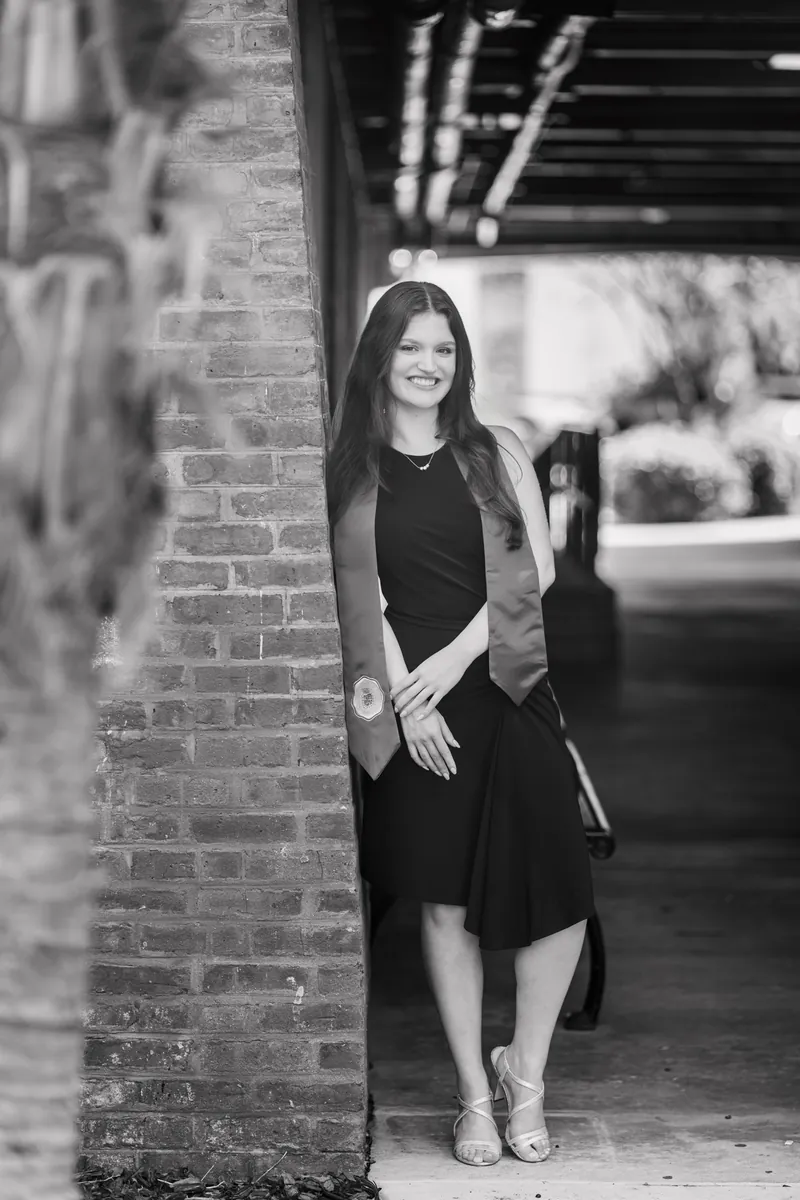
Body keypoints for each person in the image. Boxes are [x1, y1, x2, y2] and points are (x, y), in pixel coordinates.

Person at [326, 280, 595, 1168]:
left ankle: (527, 1074)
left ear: (460, 361)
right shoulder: (350, 469)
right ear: (381, 356)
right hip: (408, 704)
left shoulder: (496, 451)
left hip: (506, 687)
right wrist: (411, 695)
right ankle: (475, 1098)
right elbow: (356, 594)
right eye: (411, 347)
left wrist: (451, 667)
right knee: (443, 901)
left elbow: (539, 572)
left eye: (443, 349)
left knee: (556, 896)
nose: (427, 365)